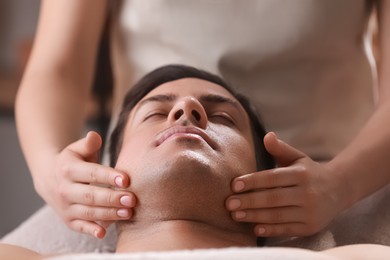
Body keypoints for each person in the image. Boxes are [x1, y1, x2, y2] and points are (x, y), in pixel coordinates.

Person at [10, 0, 390, 250]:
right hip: (129, 190)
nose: (187, 110)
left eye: (221, 114)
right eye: (159, 109)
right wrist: (50, 170)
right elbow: (55, 68)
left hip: (336, 173)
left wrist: (341, 184)